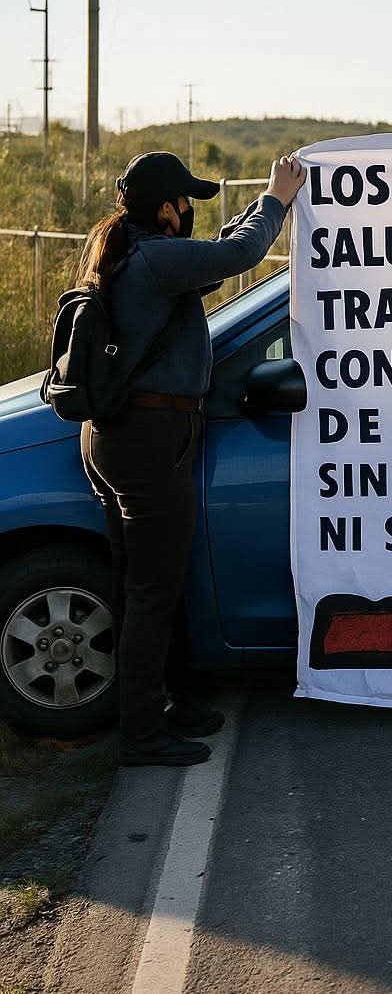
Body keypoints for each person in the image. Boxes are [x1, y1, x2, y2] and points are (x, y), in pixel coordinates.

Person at [75, 150, 306, 766]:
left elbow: (215, 265)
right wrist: (277, 198)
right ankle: (144, 733)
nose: (191, 211)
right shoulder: (155, 258)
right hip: (151, 442)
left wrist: (242, 228)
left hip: (119, 437)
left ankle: (160, 702)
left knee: (140, 587)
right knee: (152, 591)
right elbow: (239, 256)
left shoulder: (136, 255)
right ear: (165, 208)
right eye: (186, 202)